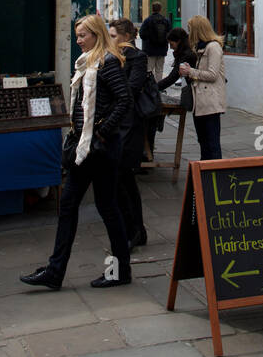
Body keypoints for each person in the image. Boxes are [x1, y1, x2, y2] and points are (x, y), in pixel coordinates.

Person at [19, 15, 133, 291]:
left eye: (83, 35)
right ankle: (62, 270)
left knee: (90, 207)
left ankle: (63, 271)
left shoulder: (107, 63)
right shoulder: (88, 63)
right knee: (92, 207)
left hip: (99, 150)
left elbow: (124, 100)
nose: (78, 40)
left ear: (95, 35)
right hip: (86, 147)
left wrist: (102, 132)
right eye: (77, 35)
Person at [108, 18, 147, 247]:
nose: (110, 40)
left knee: (125, 179)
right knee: (121, 180)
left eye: (113, 36)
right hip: (116, 125)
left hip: (130, 126)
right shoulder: (111, 58)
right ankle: (134, 229)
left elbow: (131, 89)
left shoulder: (137, 58)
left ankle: (135, 230)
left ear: (125, 36)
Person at [179, 15, 227, 161]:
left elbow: (212, 75)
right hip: (200, 102)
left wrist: (191, 72)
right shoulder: (201, 48)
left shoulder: (213, 47)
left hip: (210, 102)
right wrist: (190, 71)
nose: (189, 34)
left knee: (212, 144)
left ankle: (215, 176)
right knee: (203, 142)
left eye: (190, 30)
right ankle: (204, 177)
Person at [158, 27, 196, 102]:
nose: (171, 47)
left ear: (178, 41)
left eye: (171, 44)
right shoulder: (186, 51)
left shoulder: (186, 55)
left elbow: (173, 76)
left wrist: (154, 88)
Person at [139, 2, 170, 83]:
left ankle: (150, 87)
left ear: (152, 9)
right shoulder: (165, 20)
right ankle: (159, 86)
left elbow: (142, 34)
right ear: (160, 9)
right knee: (159, 70)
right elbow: (169, 34)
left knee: (149, 70)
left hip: (150, 50)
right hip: (162, 49)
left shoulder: (147, 20)